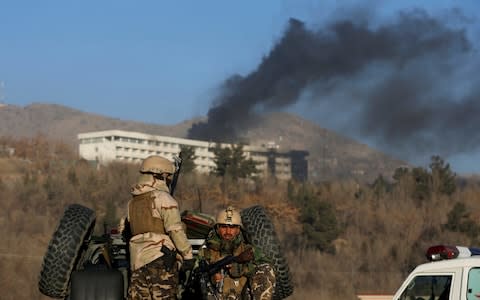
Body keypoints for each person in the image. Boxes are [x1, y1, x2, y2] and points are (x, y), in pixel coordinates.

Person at [126, 155, 194, 299]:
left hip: (136, 264)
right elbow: (175, 230)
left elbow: (125, 230)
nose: (168, 180)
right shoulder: (163, 198)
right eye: (167, 176)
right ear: (159, 175)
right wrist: (188, 256)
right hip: (160, 261)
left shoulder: (132, 203)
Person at [198, 206, 276, 300]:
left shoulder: (247, 249)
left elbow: (266, 266)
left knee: (265, 269)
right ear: (217, 228)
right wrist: (211, 278)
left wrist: (243, 268)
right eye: (224, 227)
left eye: (232, 227)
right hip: (213, 294)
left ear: (238, 229)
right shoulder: (206, 249)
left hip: (241, 294)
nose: (228, 231)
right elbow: (196, 273)